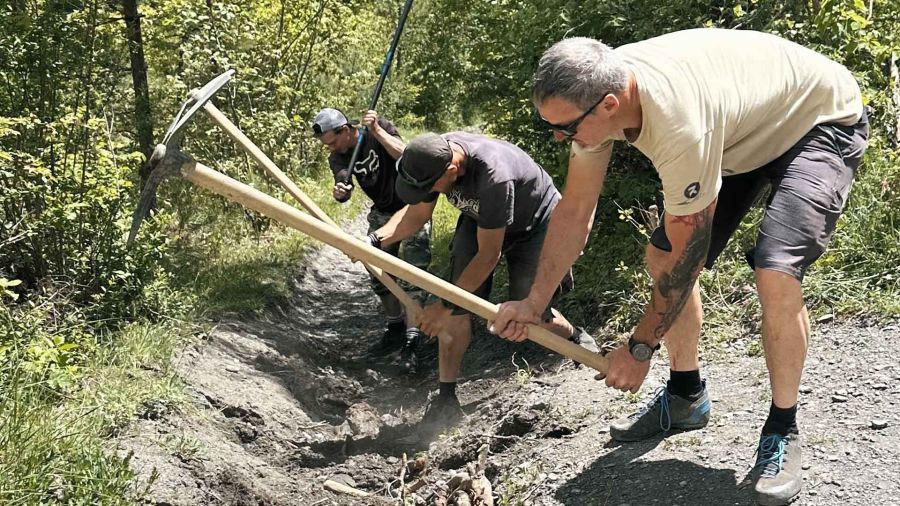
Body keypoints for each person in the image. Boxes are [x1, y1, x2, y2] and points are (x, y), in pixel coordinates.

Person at [490, 29, 867, 505]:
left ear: (609, 104)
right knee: (661, 256)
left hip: (817, 121)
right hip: (741, 133)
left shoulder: (678, 122)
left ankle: (782, 429)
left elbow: (690, 258)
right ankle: (687, 396)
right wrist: (534, 302)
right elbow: (575, 209)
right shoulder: (593, 97)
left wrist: (640, 346)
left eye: (565, 128)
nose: (560, 137)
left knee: (775, 269)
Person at [367, 131, 599, 429]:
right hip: (482, 221)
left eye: (431, 187)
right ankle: (446, 397)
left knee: (529, 314)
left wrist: (443, 304)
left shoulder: (494, 176)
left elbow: (490, 255)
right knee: (456, 299)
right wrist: (375, 241)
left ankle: (576, 337)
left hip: (536, 225)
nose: (429, 192)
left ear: (452, 170)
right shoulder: (430, 158)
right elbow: (416, 215)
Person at [312, 107, 432, 373]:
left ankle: (412, 340)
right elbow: (343, 183)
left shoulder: (379, 130)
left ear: (345, 130)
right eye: (326, 144)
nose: (330, 148)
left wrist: (377, 130)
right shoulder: (338, 156)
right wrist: (341, 191)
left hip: (412, 206)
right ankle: (395, 326)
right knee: (378, 272)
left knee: (414, 274)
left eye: (332, 141)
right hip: (381, 212)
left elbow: (406, 156)